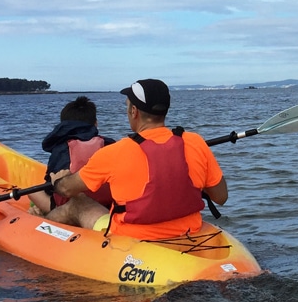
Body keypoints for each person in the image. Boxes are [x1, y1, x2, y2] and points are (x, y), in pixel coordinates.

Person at [38, 78, 228, 241]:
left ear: (134, 112)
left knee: (77, 203)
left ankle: (41, 232)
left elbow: (67, 189)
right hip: (188, 231)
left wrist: (59, 180)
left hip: (131, 237)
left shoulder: (115, 151)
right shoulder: (195, 142)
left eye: (127, 107)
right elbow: (221, 197)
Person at [29, 96, 115, 214]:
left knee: (33, 190)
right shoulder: (110, 144)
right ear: (96, 123)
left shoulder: (61, 148)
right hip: (106, 202)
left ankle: (40, 211)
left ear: (62, 125)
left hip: (69, 206)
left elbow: (51, 185)